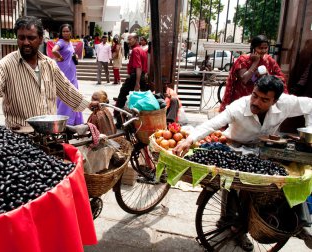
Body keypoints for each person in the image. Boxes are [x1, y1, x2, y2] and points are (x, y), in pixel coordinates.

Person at [173, 75, 312, 250]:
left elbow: (310, 105)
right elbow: (213, 124)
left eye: (264, 100)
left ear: (275, 101)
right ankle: (232, 224)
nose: (256, 102)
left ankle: (300, 225)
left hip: (264, 149)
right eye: (254, 95)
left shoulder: (286, 103)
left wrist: (309, 134)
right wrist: (189, 140)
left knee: (294, 175)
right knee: (232, 185)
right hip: (236, 148)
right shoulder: (239, 107)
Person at [0, 16, 98, 132]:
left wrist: (87, 104)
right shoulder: (6, 64)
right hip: (20, 135)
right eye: (21, 38)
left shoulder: (49, 64)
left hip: (50, 133)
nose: (26, 42)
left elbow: (66, 89)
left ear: (41, 39)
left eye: (31, 38)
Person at [220, 35, 288, 112]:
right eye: (260, 48)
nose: (263, 51)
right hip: (242, 98)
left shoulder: (269, 60)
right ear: (253, 48)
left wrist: (267, 75)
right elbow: (244, 79)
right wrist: (255, 62)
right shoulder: (243, 60)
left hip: (260, 100)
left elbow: (281, 78)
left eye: (265, 48)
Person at [114, 33, 149, 128]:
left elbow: (138, 66)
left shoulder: (136, 50)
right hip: (139, 77)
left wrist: (137, 83)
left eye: (130, 39)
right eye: (128, 39)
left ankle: (119, 121)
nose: (128, 41)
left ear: (136, 39)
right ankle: (132, 121)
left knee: (122, 96)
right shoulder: (141, 49)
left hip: (135, 77)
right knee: (136, 100)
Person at [51, 23, 83, 126]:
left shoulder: (69, 42)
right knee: (66, 92)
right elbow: (53, 50)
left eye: (67, 31)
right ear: (61, 33)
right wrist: (59, 58)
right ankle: (65, 119)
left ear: (71, 32)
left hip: (72, 71)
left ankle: (74, 119)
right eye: (63, 31)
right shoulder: (61, 42)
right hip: (64, 71)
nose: (65, 33)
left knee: (74, 92)